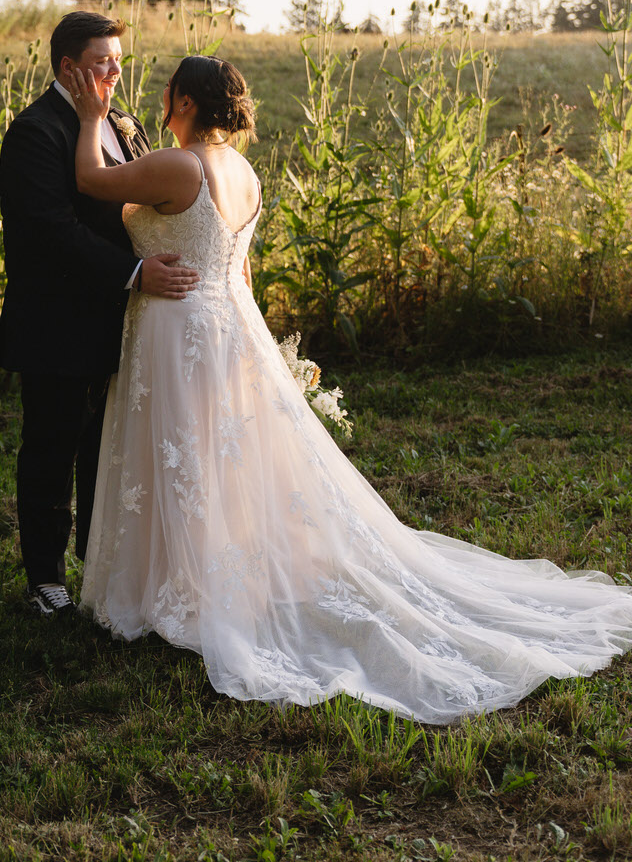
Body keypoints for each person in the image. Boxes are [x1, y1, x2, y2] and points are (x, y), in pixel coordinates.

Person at [68, 53, 632, 722]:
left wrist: (91, 116)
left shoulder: (178, 164)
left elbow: (89, 178)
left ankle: (187, 590)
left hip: (180, 326)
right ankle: (204, 581)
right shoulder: (243, 172)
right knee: (215, 457)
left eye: (167, 94)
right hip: (226, 320)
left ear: (183, 102)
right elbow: (241, 271)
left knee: (185, 454)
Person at [0, 11, 199, 617]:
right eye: (102, 62)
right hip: (59, 322)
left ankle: (100, 570)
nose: (114, 71)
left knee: (107, 448)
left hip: (125, 321)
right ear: (67, 68)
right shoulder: (36, 132)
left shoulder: (123, 122)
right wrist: (136, 274)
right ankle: (44, 578)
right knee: (52, 449)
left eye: (117, 60)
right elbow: (50, 231)